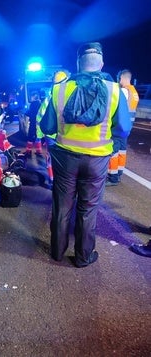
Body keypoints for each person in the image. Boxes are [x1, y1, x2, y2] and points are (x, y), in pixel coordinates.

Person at [41, 42, 131, 267]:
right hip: (97, 159)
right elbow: (123, 128)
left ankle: (57, 251)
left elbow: (48, 126)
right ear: (101, 64)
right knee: (88, 209)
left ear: (78, 64)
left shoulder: (59, 89)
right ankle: (83, 256)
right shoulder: (114, 90)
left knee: (62, 206)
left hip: (65, 158)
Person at [106, 69, 139, 186]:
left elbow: (117, 108)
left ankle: (113, 177)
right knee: (122, 151)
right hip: (127, 127)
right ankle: (119, 173)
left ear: (123, 78)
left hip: (119, 126)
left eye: (119, 78)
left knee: (114, 151)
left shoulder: (123, 91)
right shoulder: (133, 91)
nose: (118, 81)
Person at [36, 70, 70, 185]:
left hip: (51, 135)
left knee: (52, 158)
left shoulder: (49, 98)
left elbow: (40, 117)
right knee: (66, 158)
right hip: (67, 134)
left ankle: (52, 179)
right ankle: (63, 180)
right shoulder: (72, 95)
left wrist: (39, 135)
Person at [24, 92, 42, 157]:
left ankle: (28, 151)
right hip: (38, 123)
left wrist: (25, 112)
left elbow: (30, 113)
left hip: (33, 123)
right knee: (38, 137)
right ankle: (39, 151)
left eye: (31, 96)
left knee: (30, 137)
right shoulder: (40, 104)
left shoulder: (33, 104)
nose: (30, 98)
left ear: (34, 97)